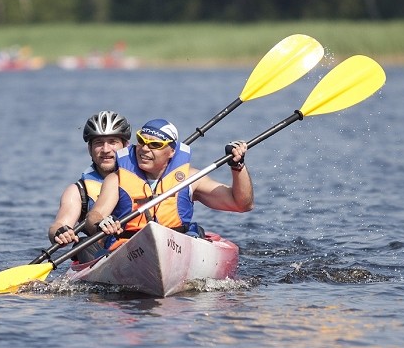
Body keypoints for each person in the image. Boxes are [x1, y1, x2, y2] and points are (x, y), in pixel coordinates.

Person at [85, 118, 253, 252]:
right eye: (141, 141)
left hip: (177, 246)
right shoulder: (116, 179)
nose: (144, 149)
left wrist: (237, 167)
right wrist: (101, 223)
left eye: (155, 145)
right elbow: (95, 215)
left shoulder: (190, 178)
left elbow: (242, 204)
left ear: (172, 151)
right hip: (129, 248)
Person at [47, 110, 131, 262]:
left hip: (141, 246)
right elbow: (58, 225)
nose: (105, 149)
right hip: (101, 255)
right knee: (84, 245)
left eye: (113, 142)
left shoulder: (145, 176)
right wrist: (60, 232)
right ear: (90, 149)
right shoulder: (78, 192)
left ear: (126, 145)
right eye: (99, 143)